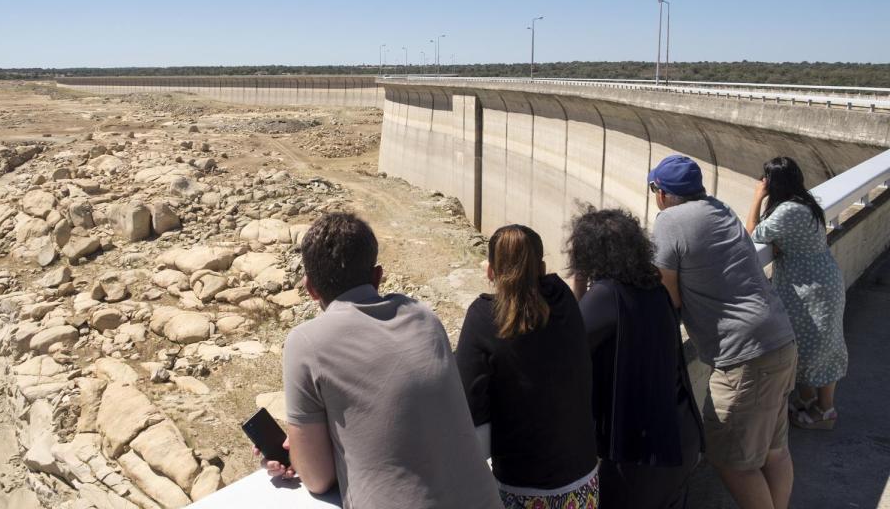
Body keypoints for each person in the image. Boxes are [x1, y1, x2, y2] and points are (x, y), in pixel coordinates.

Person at [262, 212, 502, 509]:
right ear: (377, 277)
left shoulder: (306, 343)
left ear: (310, 288)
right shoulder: (424, 316)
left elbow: (317, 478)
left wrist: (297, 452)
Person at [648, 155, 798, 509]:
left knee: (732, 461)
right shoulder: (720, 209)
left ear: (664, 194)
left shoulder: (669, 221)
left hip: (744, 356)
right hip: (779, 339)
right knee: (774, 452)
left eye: (654, 188)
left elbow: (667, 293)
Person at [568, 207, 704, 509]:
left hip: (642, 456)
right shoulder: (654, 288)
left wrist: (579, 284)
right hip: (680, 435)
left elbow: (569, 345)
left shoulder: (605, 296)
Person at [456, 224, 599, 509]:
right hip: (583, 481)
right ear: (543, 267)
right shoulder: (563, 297)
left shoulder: (483, 317)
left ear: (490, 272)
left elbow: (467, 404)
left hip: (522, 487)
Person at [747, 156, 847, 430]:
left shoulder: (788, 211)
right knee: (815, 345)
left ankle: (825, 412)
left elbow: (751, 234)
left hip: (812, 289)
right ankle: (809, 402)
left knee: (818, 348)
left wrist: (757, 197)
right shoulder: (806, 203)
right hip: (818, 282)